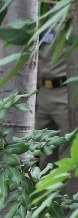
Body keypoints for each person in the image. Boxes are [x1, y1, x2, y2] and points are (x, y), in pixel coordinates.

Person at [36, 28, 73, 162]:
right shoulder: (43, 15)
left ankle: (69, 184)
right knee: (44, 153)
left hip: (66, 90)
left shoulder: (72, 17)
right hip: (44, 90)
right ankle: (44, 182)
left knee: (67, 151)